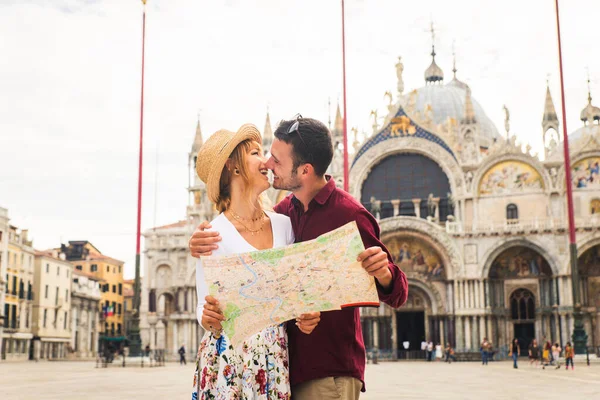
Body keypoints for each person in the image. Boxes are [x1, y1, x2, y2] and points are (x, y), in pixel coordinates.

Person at [189, 116, 408, 399]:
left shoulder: (346, 215)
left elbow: (398, 294)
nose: (268, 163)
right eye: (261, 154)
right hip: (269, 369)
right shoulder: (283, 215)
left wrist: (384, 273)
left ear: (304, 170)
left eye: (275, 160)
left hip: (327, 371)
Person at [191, 124, 322, 399]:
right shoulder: (212, 235)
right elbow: (205, 305)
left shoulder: (285, 226)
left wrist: (306, 315)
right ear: (233, 167)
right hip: (227, 364)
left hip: (273, 363)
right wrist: (207, 317)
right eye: (254, 153)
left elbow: (294, 296)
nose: (265, 161)